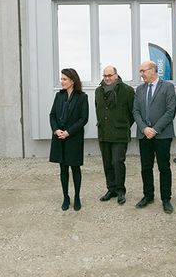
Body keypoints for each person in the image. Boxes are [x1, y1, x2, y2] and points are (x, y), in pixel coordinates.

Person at [132, 60, 176, 214]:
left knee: (164, 167)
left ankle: (166, 199)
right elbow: (135, 111)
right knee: (146, 167)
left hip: (162, 135)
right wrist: (144, 128)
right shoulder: (140, 89)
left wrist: (155, 129)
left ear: (153, 70)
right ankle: (148, 195)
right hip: (144, 135)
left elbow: (171, 111)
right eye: (141, 71)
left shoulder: (168, 87)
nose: (141, 74)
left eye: (143, 70)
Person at [49, 68, 89, 211]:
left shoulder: (82, 97)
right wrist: (56, 130)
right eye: (62, 79)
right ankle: (66, 197)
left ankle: (77, 197)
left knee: (75, 168)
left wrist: (68, 132)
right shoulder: (58, 96)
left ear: (73, 81)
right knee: (63, 169)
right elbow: (52, 115)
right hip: (59, 137)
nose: (62, 81)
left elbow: (84, 119)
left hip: (74, 138)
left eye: (65, 79)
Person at [95, 65, 135, 205]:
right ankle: (111, 189)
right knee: (107, 163)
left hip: (120, 134)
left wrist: (123, 125)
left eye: (110, 75)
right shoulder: (98, 91)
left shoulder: (127, 91)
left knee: (117, 162)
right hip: (104, 133)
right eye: (105, 76)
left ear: (116, 75)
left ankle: (120, 191)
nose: (107, 78)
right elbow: (98, 110)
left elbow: (133, 113)